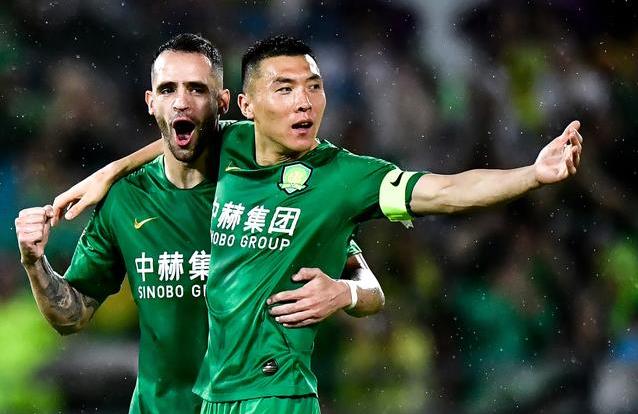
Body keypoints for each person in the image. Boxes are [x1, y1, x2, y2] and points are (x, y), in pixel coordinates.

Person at [54, 35, 583, 413]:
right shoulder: (232, 148)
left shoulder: (342, 178)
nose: (304, 102)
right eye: (284, 89)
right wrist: (110, 172)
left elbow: (443, 191)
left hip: (278, 394)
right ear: (246, 106)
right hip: (214, 397)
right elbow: (178, 134)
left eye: (314, 86)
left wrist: (531, 175)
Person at [15, 34, 385, 414]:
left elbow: (367, 283)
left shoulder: (268, 186)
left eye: (196, 89)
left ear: (223, 103)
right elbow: (71, 316)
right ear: (151, 102)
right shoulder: (125, 200)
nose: (181, 101)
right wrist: (34, 262)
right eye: (168, 89)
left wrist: (346, 292)